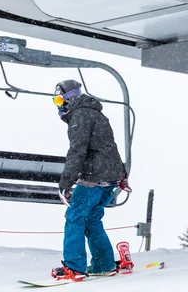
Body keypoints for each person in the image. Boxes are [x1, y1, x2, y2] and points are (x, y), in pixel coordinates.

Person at [50, 80, 127, 281]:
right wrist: (122, 174)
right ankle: (103, 264)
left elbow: (77, 151)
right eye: (55, 100)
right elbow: (110, 146)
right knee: (92, 218)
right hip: (109, 177)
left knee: (75, 217)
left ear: (70, 98)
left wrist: (66, 183)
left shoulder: (80, 116)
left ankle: (74, 267)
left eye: (59, 99)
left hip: (94, 178)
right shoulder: (96, 114)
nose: (58, 105)